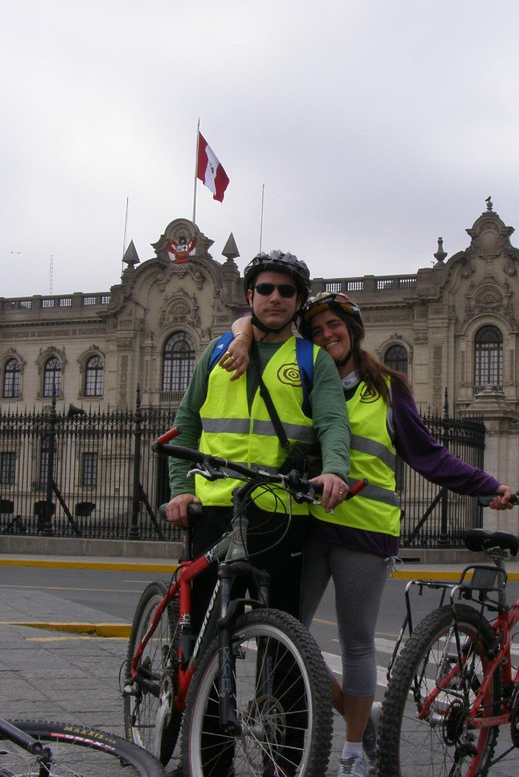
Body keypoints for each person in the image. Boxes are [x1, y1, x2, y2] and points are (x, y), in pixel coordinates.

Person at [224, 291, 512, 777]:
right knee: (285, 635)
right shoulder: (306, 377)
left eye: (333, 326)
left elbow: (428, 454)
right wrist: (243, 332)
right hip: (309, 527)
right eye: (315, 331)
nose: (325, 335)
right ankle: (330, 723)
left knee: (357, 643)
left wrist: (487, 487)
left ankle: (354, 750)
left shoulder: (387, 387)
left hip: (365, 531)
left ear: (353, 330)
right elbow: (253, 323)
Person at [163, 251, 352, 777]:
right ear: (249, 296)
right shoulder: (218, 350)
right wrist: (181, 490)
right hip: (214, 511)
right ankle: (205, 759)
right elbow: (186, 422)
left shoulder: (313, 360)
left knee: (284, 646)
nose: (275, 297)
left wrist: (333, 471)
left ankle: (287, 762)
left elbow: (334, 424)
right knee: (204, 641)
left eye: (287, 291)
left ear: (298, 302)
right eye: (265, 288)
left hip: (281, 511)